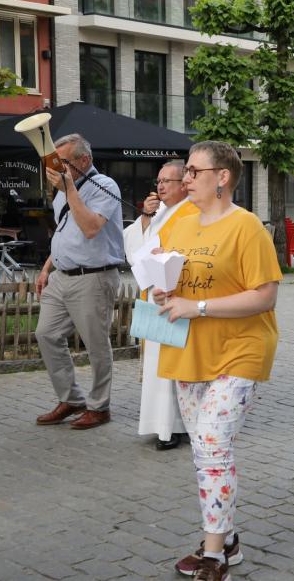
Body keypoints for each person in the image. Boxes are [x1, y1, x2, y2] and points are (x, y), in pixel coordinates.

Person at [153, 141, 282, 580]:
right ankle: (227, 538)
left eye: (193, 171)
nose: (184, 178)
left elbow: (265, 295)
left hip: (241, 348)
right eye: (185, 172)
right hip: (189, 350)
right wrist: (162, 291)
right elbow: (170, 280)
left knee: (210, 443)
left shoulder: (247, 228)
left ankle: (214, 556)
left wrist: (200, 308)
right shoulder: (179, 224)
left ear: (222, 177)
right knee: (208, 454)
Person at [34, 134, 124, 430]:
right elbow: (64, 231)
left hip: (93, 277)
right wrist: (48, 266)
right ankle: (71, 398)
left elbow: (89, 228)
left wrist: (70, 188)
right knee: (46, 334)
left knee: (96, 344)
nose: (57, 167)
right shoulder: (63, 189)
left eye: (63, 162)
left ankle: (100, 407)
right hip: (62, 276)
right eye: (55, 161)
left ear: (84, 161)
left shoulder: (105, 186)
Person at [123, 160, 199, 450]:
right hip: (155, 292)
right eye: (158, 181)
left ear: (184, 184)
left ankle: (175, 427)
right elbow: (136, 246)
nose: (161, 186)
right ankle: (162, 425)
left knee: (171, 362)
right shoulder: (163, 212)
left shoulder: (190, 212)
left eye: (168, 181)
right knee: (157, 364)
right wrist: (145, 216)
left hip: (174, 293)